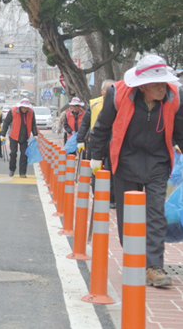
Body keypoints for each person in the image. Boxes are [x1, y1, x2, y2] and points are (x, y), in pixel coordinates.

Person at [90, 55, 183, 287]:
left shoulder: (175, 97)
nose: (162, 87)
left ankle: (154, 266)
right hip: (125, 161)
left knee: (155, 214)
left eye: (164, 82)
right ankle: (134, 256)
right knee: (127, 217)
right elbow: (102, 127)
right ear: (141, 85)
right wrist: (94, 157)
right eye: (156, 83)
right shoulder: (118, 94)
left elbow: (180, 131)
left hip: (158, 163)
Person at [76, 80, 115, 207]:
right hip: (96, 142)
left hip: (114, 143)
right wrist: (80, 140)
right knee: (96, 170)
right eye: (107, 90)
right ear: (102, 91)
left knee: (112, 171)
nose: (110, 93)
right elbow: (85, 123)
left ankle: (112, 198)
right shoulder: (94, 104)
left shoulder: (120, 103)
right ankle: (97, 195)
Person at [1, 98, 38, 178]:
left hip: (25, 136)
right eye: (23, 107)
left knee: (24, 154)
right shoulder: (13, 111)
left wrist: (35, 134)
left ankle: (22, 172)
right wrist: (2, 134)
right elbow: (6, 123)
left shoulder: (31, 112)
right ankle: (12, 169)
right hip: (14, 135)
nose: (25, 109)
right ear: (20, 107)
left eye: (26, 108)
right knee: (13, 153)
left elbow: (33, 124)